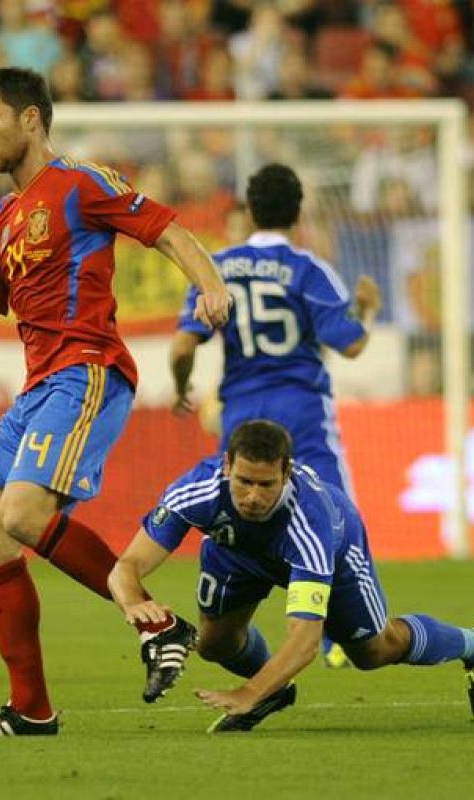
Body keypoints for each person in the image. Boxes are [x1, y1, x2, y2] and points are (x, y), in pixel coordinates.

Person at [0, 66, 231, 737]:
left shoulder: (81, 183)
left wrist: (209, 286)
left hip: (85, 370)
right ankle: (31, 709)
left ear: (29, 119)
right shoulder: (4, 219)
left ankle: (154, 619)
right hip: (37, 389)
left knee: (24, 513)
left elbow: (168, 231)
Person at [108, 420, 474, 733]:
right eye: (244, 481)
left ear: (287, 473)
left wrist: (248, 693)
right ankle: (274, 689)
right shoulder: (196, 491)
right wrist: (134, 603)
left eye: (266, 485)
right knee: (214, 645)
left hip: (336, 547)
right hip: (238, 554)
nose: (252, 496)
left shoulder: (309, 524)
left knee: (373, 651)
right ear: (226, 466)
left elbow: (304, 642)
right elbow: (126, 568)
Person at [169, 162, 382, 667]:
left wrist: (183, 388)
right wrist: (367, 311)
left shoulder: (215, 267)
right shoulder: (309, 269)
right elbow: (349, 345)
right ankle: (339, 634)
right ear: (298, 211)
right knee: (333, 513)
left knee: (245, 507)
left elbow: (182, 347)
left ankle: (233, 618)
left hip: (242, 414)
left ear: (249, 207)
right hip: (302, 408)